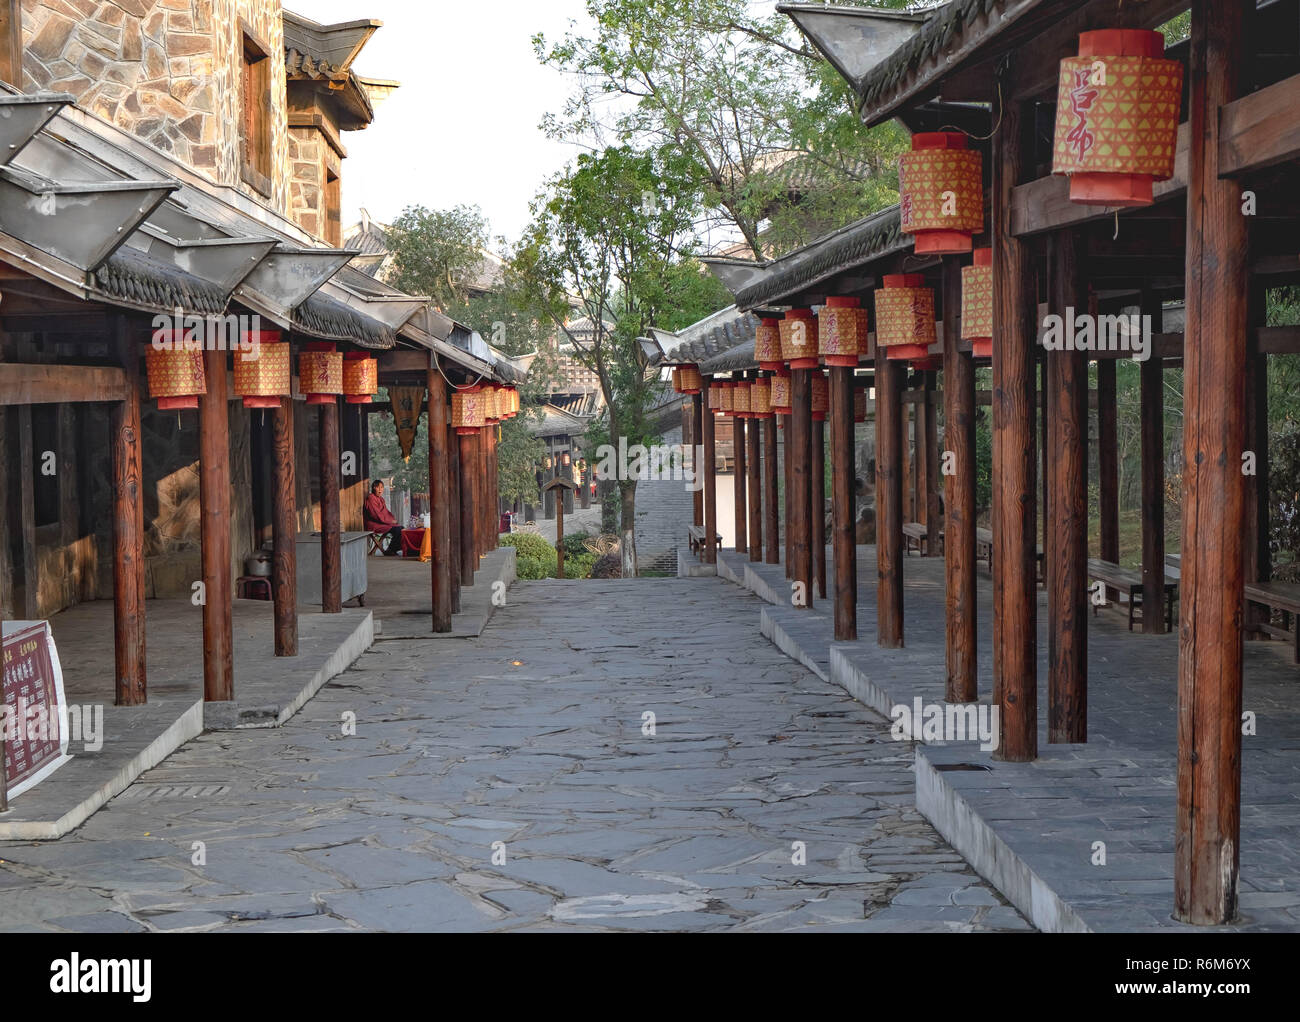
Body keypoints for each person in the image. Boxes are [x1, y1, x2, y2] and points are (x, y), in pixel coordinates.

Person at [364, 480, 402, 556]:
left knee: (402, 529)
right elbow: (376, 514)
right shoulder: (371, 498)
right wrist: (390, 521)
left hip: (382, 523)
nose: (380, 489)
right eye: (378, 487)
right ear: (374, 488)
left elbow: (386, 512)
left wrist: (391, 520)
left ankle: (393, 549)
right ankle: (390, 549)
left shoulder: (381, 499)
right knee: (398, 530)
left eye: (382, 487)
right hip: (374, 524)